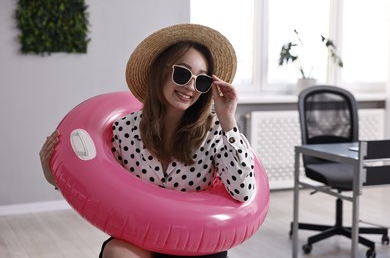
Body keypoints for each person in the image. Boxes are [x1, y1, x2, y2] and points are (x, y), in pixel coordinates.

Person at [40, 23, 256, 258]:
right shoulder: (123, 130)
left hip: (197, 245)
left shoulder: (214, 132)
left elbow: (243, 191)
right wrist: (55, 177)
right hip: (142, 239)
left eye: (202, 81)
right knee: (116, 252)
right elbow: (98, 188)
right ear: (161, 72)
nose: (190, 86)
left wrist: (227, 118)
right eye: (182, 73)